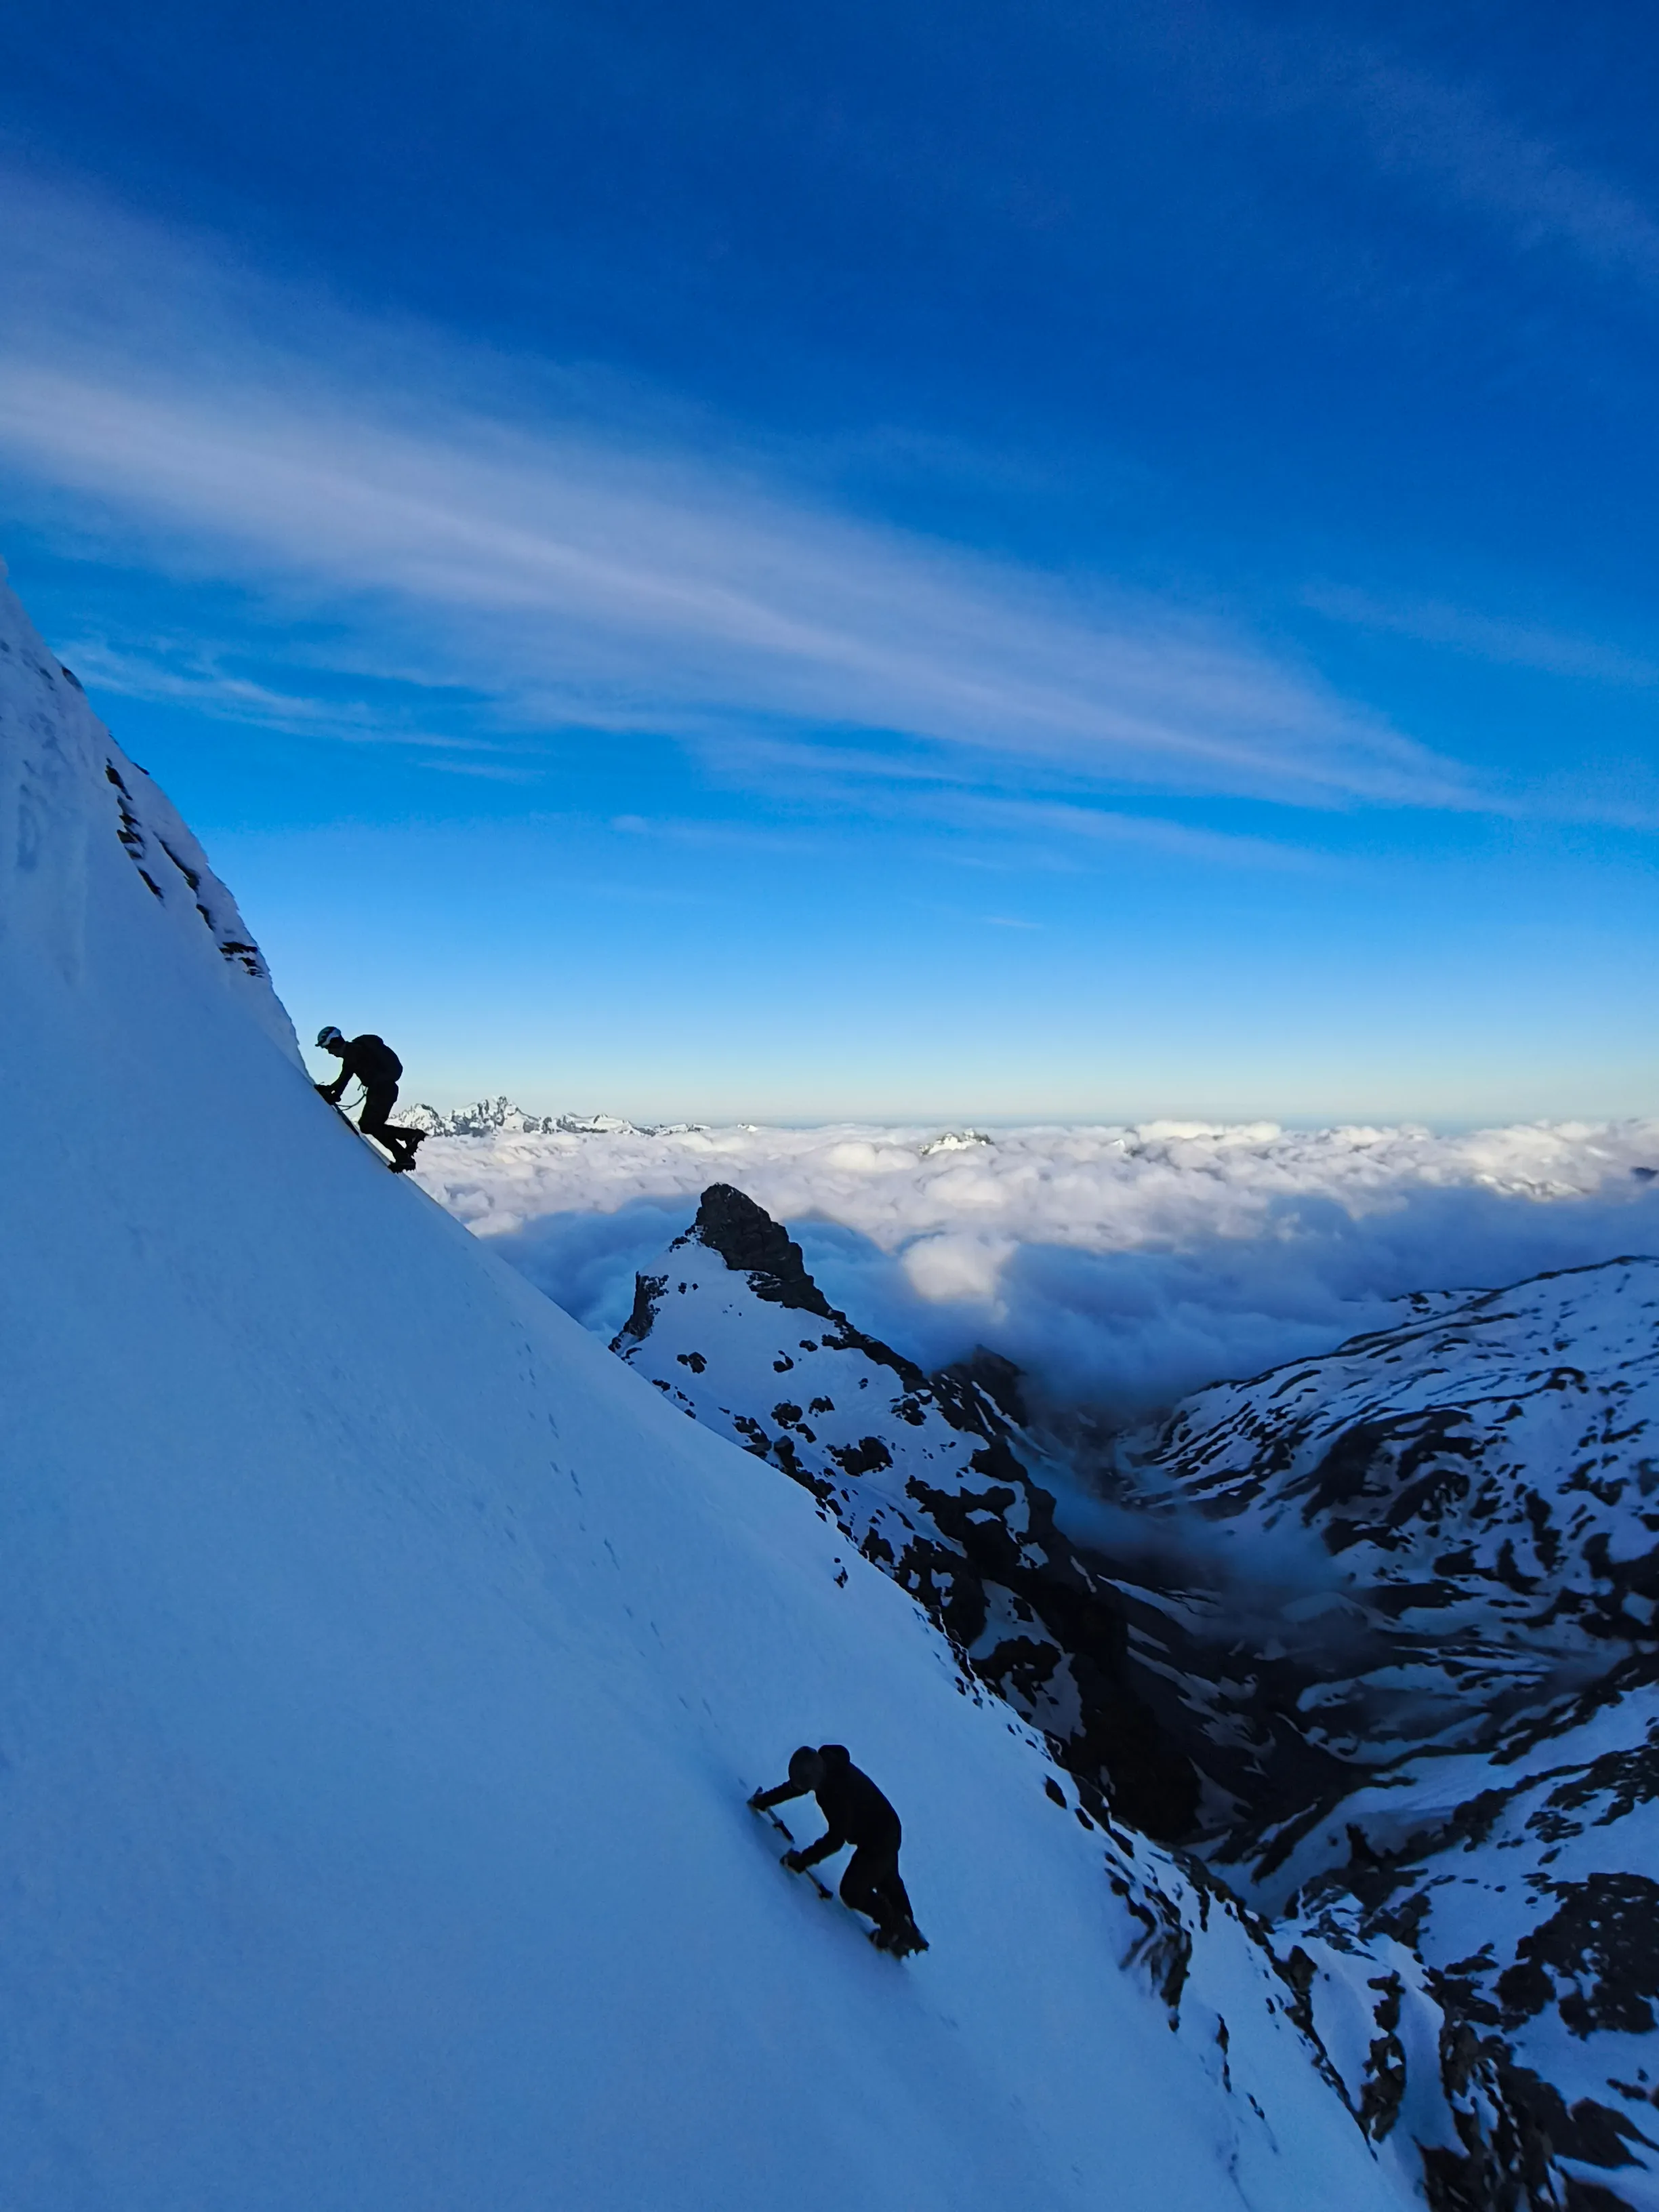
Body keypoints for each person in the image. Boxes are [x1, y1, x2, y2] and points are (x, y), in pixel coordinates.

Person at [750, 1744, 926, 1954]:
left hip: (880, 1839)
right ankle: (908, 1931)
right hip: (885, 1826)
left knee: (853, 1891)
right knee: (887, 1879)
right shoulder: (826, 1762)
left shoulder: (836, 1794)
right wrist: (764, 1801)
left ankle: (898, 1930)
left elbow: (835, 1841)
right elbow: (796, 1787)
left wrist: (800, 1862)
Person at [314, 1025, 425, 1173]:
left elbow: (343, 1081)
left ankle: (409, 1139)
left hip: (382, 1091)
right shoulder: (355, 1050)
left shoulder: (352, 1053)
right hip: (384, 1090)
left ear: (334, 1042)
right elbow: (343, 1080)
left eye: (328, 1048)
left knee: (369, 1125)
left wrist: (330, 1093)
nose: (329, 1052)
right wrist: (331, 1091)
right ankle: (404, 1155)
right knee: (371, 1125)